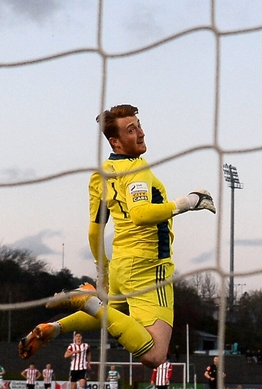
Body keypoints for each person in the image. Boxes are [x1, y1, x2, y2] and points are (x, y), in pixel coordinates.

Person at [19, 104, 216, 368]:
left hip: (121, 266)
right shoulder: (136, 169)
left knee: (116, 311)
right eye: (131, 130)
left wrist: (103, 273)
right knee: (155, 354)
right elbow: (141, 214)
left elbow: (94, 230)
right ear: (115, 141)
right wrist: (189, 201)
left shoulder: (101, 174)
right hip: (149, 267)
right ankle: (85, 301)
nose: (141, 133)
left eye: (139, 125)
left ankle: (54, 328)